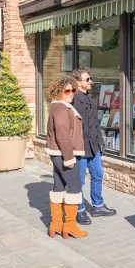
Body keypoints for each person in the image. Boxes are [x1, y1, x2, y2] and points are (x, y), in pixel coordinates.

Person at [72, 69, 116, 225]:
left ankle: (97, 206)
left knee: (97, 175)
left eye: (90, 78)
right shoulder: (72, 100)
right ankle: (79, 210)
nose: (90, 81)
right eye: (87, 79)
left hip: (94, 145)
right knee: (79, 181)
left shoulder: (91, 98)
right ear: (78, 82)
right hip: (80, 147)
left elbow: (95, 122)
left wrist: (101, 141)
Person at [46, 76, 87, 239]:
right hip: (64, 154)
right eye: (67, 91)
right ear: (58, 92)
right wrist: (69, 159)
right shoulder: (62, 109)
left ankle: (56, 225)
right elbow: (63, 135)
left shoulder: (59, 108)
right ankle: (69, 226)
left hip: (57, 153)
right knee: (75, 187)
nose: (71, 94)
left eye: (73, 90)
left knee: (59, 187)